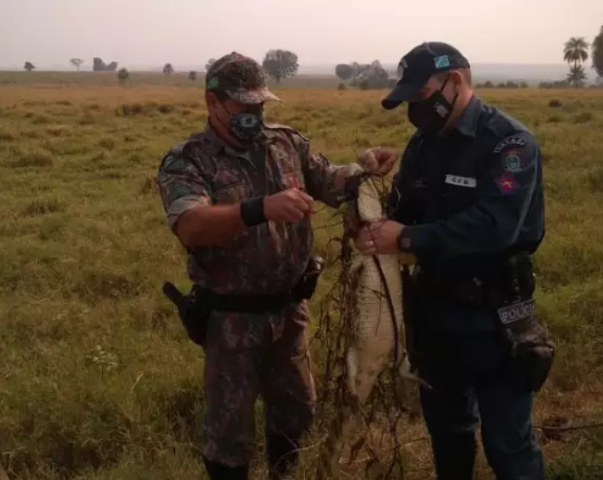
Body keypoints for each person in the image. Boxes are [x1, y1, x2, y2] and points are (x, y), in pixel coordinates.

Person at [156, 51, 398, 480]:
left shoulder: (286, 143)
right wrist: (259, 208)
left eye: (260, 106)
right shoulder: (188, 160)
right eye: (243, 108)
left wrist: (361, 170)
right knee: (228, 433)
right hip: (231, 319)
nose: (255, 115)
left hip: (289, 311)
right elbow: (191, 225)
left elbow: (328, 179)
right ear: (213, 104)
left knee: (296, 412)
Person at [355, 42, 552, 480]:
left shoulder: (510, 143)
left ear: (455, 82)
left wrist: (406, 237)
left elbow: (495, 225)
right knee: (449, 434)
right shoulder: (422, 146)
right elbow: (402, 210)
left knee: (509, 445)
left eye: (420, 98)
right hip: (436, 316)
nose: (414, 111)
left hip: (496, 317)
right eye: (407, 102)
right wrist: (367, 188)